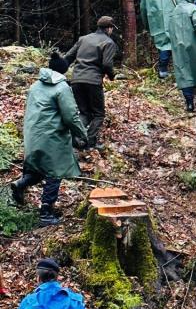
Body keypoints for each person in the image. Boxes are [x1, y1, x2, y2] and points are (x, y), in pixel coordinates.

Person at [10, 56, 88, 226]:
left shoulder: (34, 86)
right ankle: (46, 212)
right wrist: (83, 134)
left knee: (38, 168)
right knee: (55, 172)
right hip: (52, 136)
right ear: (63, 71)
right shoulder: (62, 87)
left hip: (32, 135)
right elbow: (71, 116)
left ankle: (21, 183)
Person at [63, 16, 118, 151]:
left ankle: (75, 137)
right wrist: (112, 76)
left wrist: (58, 71)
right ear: (109, 28)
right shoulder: (108, 42)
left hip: (76, 80)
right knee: (99, 114)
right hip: (93, 81)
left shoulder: (83, 39)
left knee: (84, 112)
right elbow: (106, 64)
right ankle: (90, 142)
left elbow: (68, 57)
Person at [140, 0, 182, 78]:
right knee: (176, 42)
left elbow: (143, 7)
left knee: (162, 44)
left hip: (155, 20)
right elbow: (179, 0)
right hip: (172, 16)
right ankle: (177, 70)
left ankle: (163, 70)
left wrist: (146, 23)